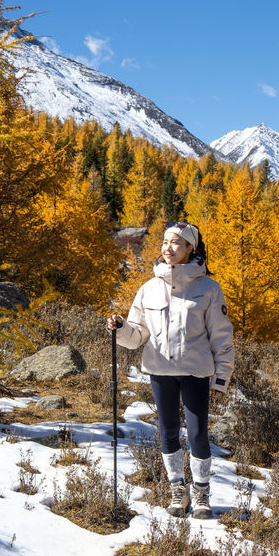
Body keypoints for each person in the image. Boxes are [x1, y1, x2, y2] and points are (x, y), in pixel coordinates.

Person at [107, 221, 233, 519]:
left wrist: (221, 379)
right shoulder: (148, 289)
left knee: (199, 433)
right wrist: (121, 328)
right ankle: (179, 489)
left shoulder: (209, 289)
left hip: (197, 372)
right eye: (165, 242)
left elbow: (221, 336)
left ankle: (201, 492)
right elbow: (137, 335)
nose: (168, 248)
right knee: (168, 433)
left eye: (176, 243)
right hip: (160, 371)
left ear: (191, 248)